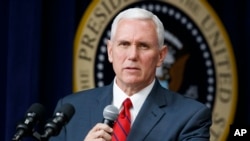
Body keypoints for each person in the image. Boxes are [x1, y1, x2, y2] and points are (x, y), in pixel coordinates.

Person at [49, 8, 212, 141]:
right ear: (110, 52)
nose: (132, 55)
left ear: (161, 56)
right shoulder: (72, 110)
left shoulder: (190, 116)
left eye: (143, 46)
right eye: (124, 44)